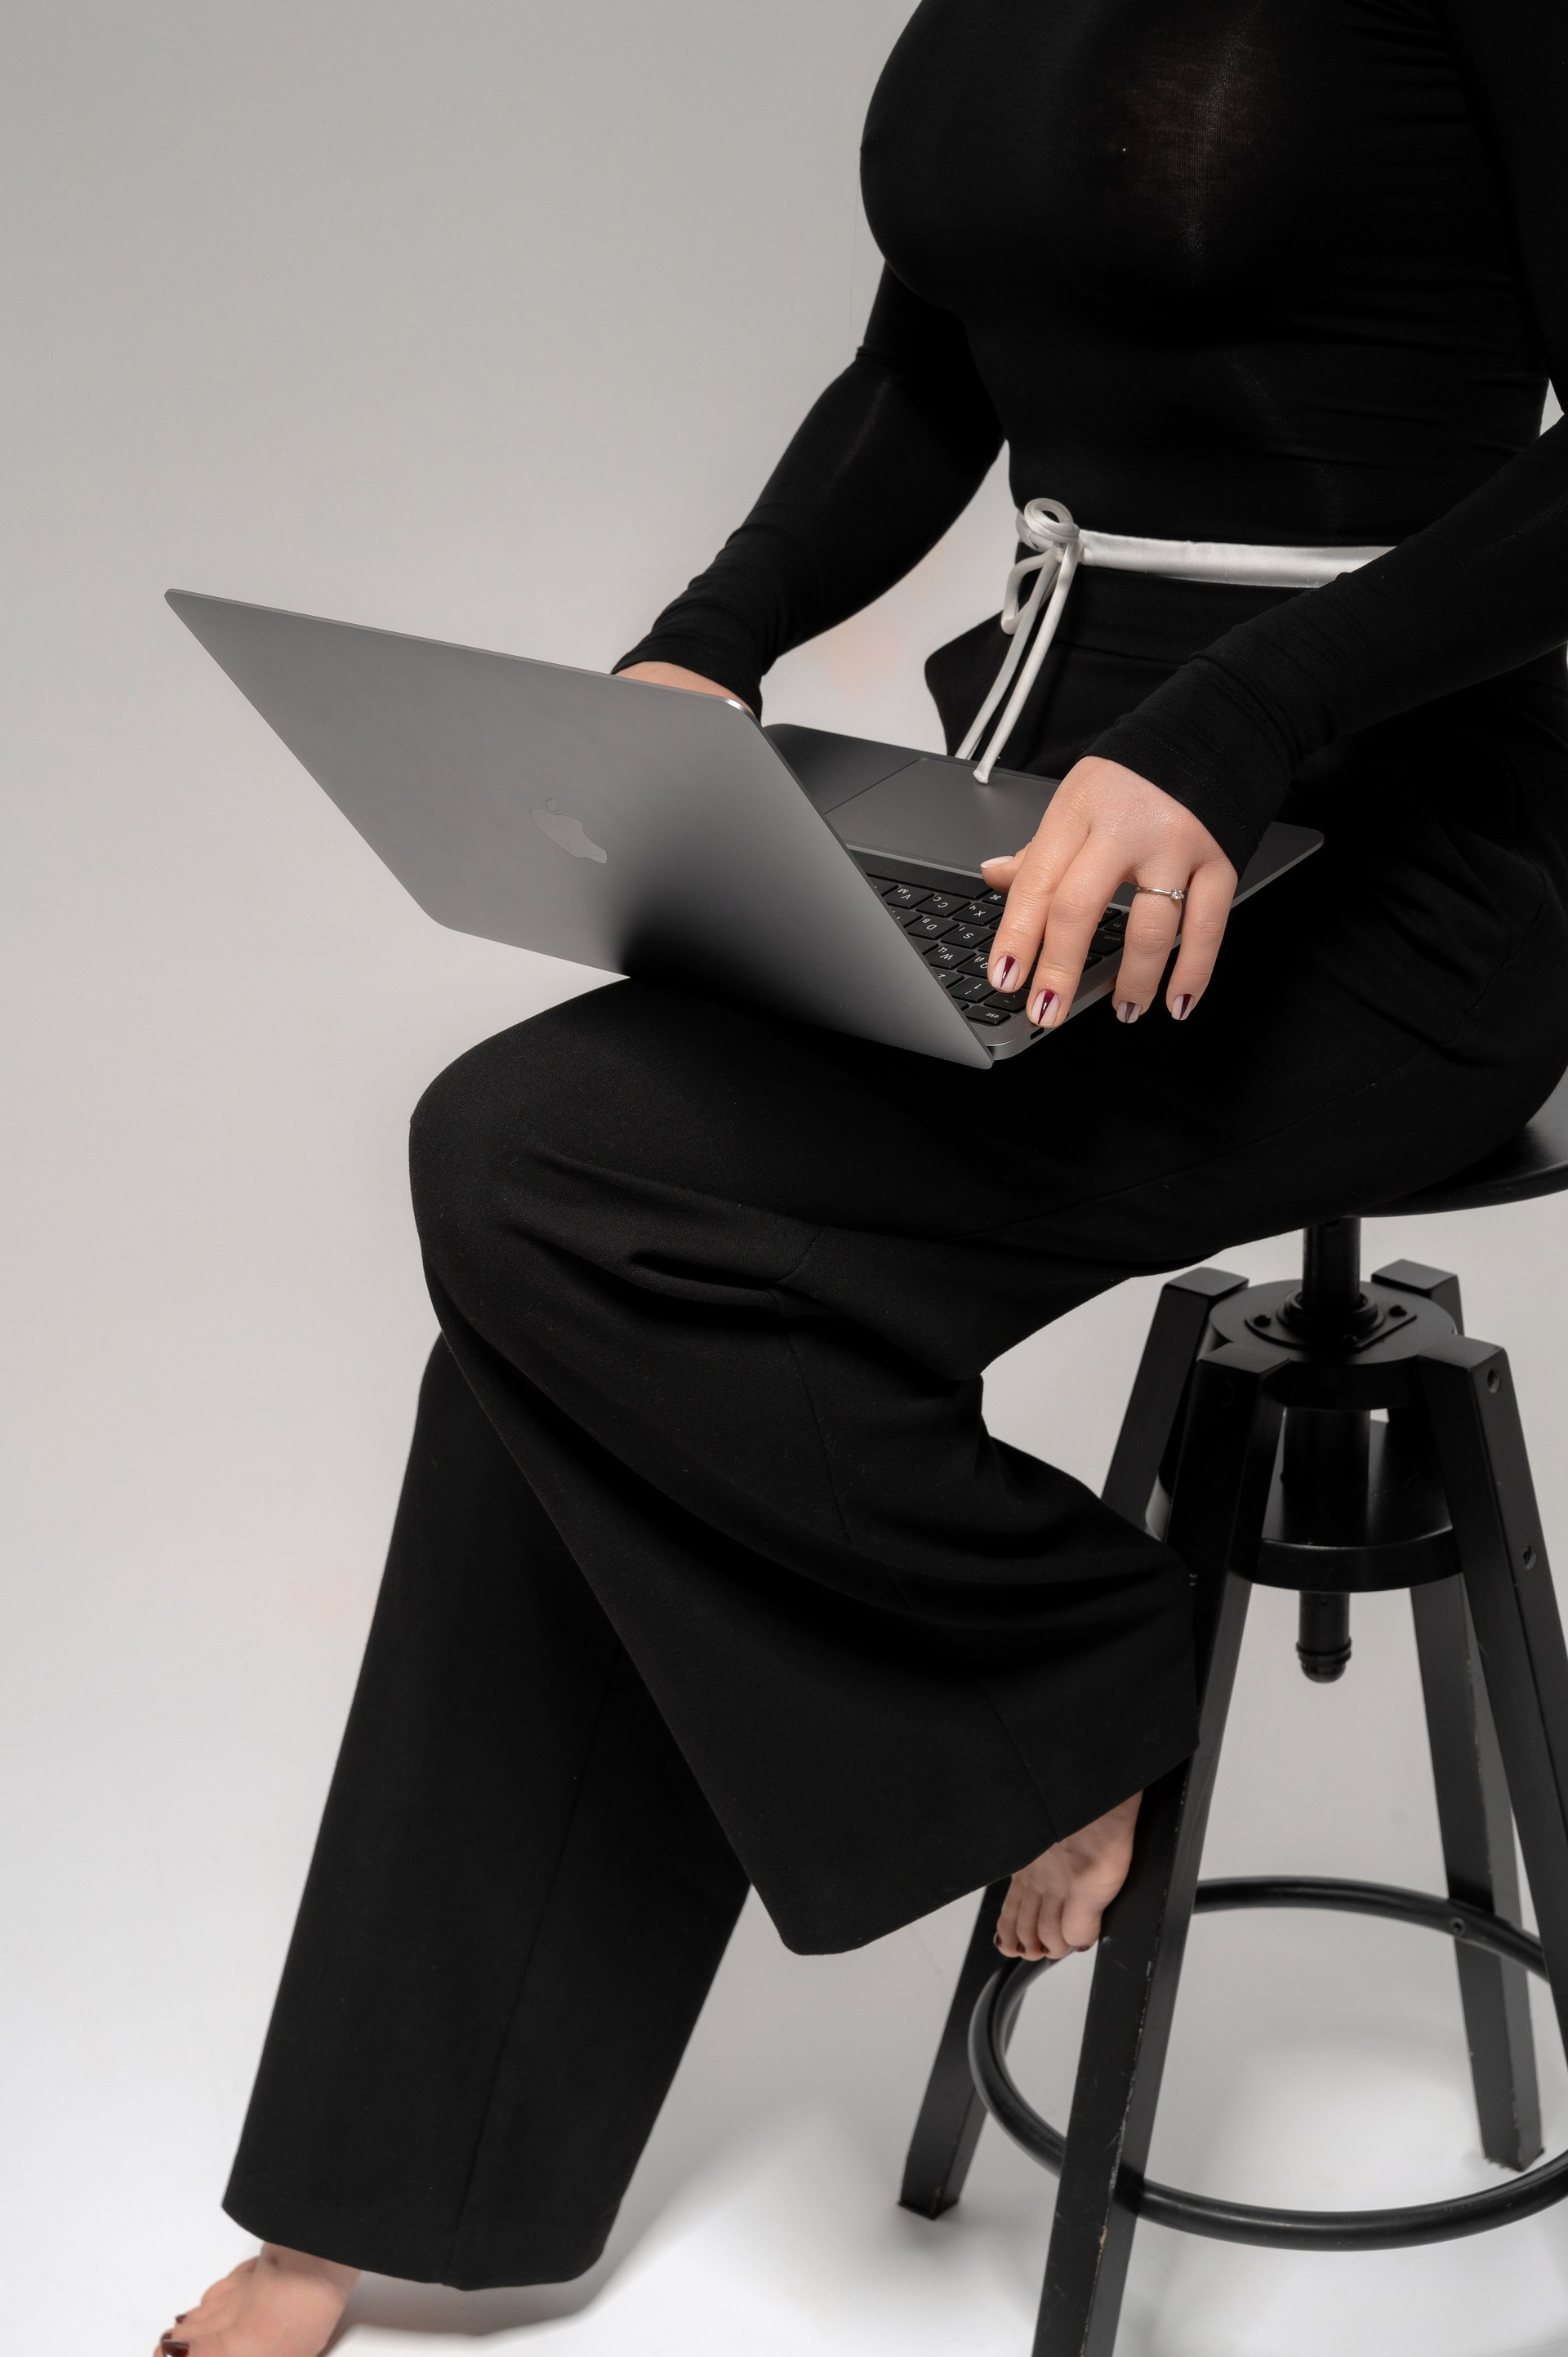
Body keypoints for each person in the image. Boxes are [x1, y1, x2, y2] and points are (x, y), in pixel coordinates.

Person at [155, 1, 1568, 2349]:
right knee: (562, 1275)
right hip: (1030, 842)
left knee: (535, 1163)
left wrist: (1248, 716)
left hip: (1404, 864)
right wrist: (703, 649)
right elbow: (928, 367)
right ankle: (393, 2187)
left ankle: (1069, 1674)